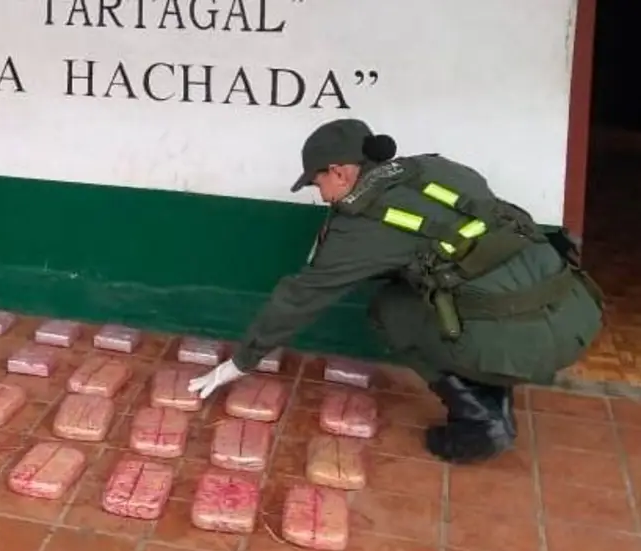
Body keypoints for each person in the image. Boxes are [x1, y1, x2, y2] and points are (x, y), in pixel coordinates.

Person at [188, 118, 604, 464]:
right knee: (436, 293)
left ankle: (483, 419)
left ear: (340, 171)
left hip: (527, 342)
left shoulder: (360, 227)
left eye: (318, 184)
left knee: (390, 313)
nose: (322, 195)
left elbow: (299, 298)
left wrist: (240, 363)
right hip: (576, 312)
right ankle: (491, 380)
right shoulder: (432, 168)